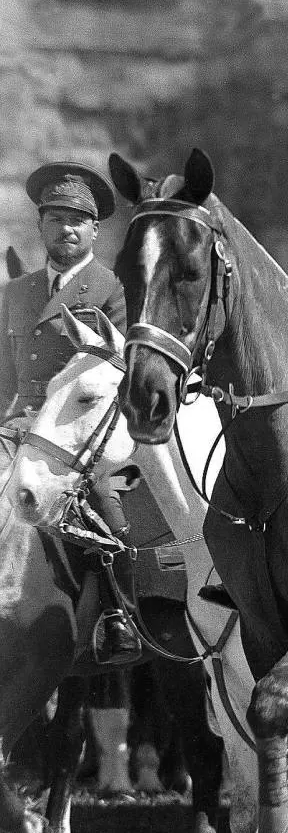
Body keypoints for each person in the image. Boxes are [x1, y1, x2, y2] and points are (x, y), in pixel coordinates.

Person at [0, 162, 141, 663]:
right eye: (56, 219)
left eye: (78, 221)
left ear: (95, 231)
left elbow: (119, 374)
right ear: (41, 226)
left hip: (80, 434)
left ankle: (119, 617)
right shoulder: (16, 293)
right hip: (19, 429)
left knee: (108, 515)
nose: (67, 230)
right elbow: (4, 378)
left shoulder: (111, 288)